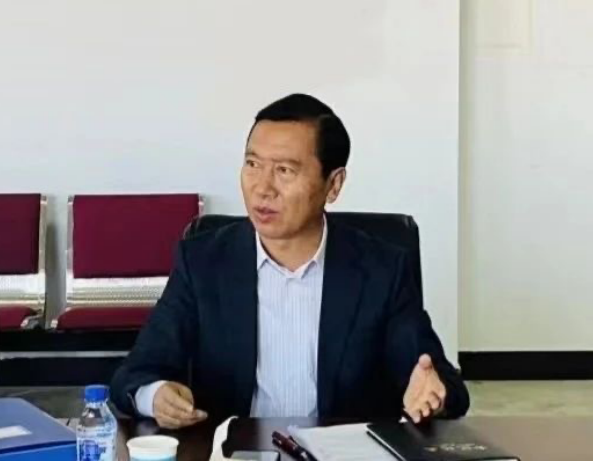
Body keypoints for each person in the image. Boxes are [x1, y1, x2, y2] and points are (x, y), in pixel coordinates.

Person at [111, 94, 469, 429]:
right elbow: (135, 374)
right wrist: (155, 395)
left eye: (284, 170)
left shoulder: (382, 270)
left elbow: (441, 382)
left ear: (333, 184)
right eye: (252, 164)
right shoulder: (203, 261)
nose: (262, 188)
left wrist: (433, 395)